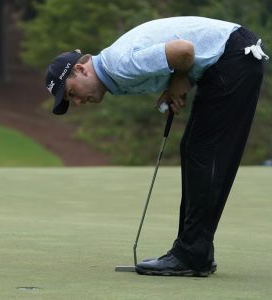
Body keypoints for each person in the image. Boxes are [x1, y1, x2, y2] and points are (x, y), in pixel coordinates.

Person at [45, 16, 268, 277]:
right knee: (197, 151)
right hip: (231, 56)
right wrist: (178, 82)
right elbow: (179, 57)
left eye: (72, 93)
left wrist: (179, 81)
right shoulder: (113, 71)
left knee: (203, 153)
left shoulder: (119, 65)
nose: (78, 103)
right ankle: (196, 252)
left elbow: (184, 51)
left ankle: (192, 254)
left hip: (233, 56)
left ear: (81, 70)